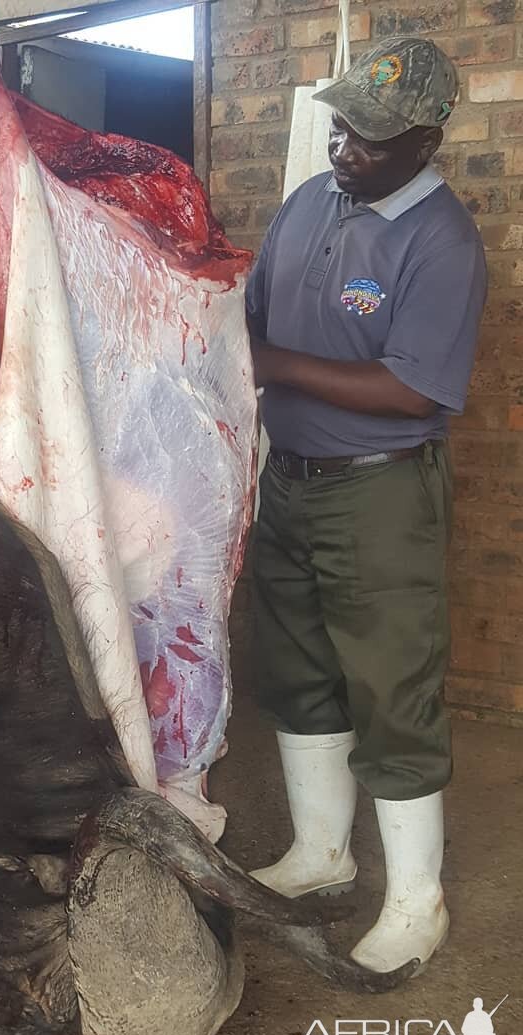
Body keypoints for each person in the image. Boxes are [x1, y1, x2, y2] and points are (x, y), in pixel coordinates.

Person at [244, 36, 487, 974]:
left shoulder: (442, 240)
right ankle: (320, 854)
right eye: (340, 126)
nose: (343, 146)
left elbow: (413, 393)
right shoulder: (309, 202)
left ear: (427, 141)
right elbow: (253, 318)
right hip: (292, 481)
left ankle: (417, 902)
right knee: (299, 668)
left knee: (392, 690)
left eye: (369, 138)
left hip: (381, 491)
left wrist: (273, 366)